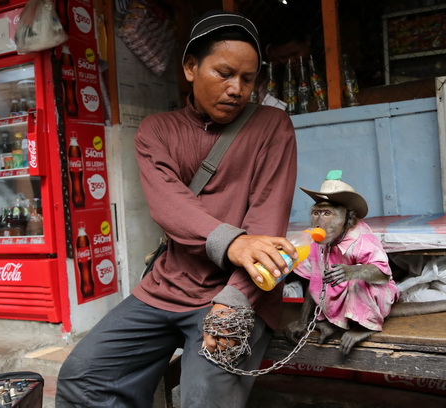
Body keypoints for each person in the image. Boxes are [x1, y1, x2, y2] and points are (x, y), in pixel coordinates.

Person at [55, 10, 298, 408]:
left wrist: (234, 303)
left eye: (248, 79)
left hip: (237, 291)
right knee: (84, 377)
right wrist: (233, 242)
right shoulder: (157, 130)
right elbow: (170, 205)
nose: (236, 88)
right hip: (165, 287)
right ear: (190, 67)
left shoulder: (272, 126)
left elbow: (266, 226)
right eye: (224, 73)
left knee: (203, 401)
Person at [286, 170, 399, 353]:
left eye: (327, 213)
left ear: (348, 218)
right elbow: (314, 281)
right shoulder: (315, 243)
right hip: (341, 297)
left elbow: (383, 274)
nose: (318, 221)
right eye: (316, 213)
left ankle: (364, 328)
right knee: (322, 277)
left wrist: (352, 271)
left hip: (375, 296)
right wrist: (302, 321)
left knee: (354, 280)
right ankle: (338, 324)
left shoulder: (360, 239)